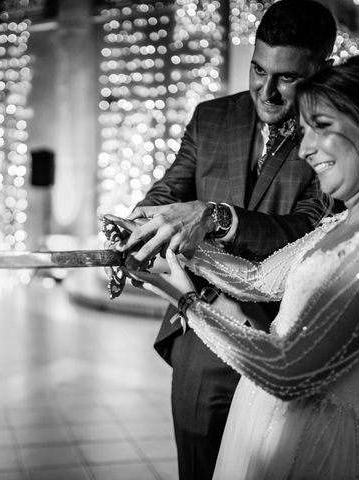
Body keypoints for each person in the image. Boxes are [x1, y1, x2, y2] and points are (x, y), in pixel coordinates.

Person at [126, 54, 359, 479]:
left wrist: (188, 302)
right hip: (271, 417)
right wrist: (169, 244)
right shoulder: (342, 220)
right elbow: (257, 279)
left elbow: (288, 375)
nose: (305, 149)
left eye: (321, 128)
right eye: (304, 132)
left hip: (329, 442)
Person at [116, 1, 337, 477]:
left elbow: (308, 227)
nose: (268, 90)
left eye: (287, 77)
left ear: (324, 69)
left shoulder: (333, 136)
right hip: (205, 330)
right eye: (258, 69)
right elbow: (170, 188)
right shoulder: (211, 118)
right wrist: (143, 218)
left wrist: (217, 217)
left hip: (289, 339)